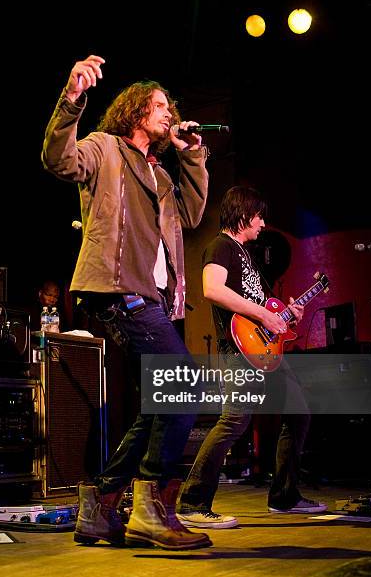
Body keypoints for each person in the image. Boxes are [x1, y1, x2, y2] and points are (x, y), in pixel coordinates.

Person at [42, 55, 211, 549]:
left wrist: (193, 156)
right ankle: (151, 505)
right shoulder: (106, 148)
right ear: (136, 111)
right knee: (185, 387)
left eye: (169, 106)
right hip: (115, 288)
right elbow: (59, 160)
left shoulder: (159, 173)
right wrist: (72, 99)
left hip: (151, 297)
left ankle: (101, 506)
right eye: (158, 105)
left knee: (160, 403)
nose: (167, 111)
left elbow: (193, 216)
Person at [177, 185, 327, 529]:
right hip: (239, 350)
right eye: (259, 216)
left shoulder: (250, 255)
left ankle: (284, 497)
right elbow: (213, 290)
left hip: (265, 350)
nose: (262, 223)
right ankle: (191, 502)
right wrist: (263, 316)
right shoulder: (220, 246)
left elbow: (265, 308)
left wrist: (285, 314)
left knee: (299, 411)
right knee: (234, 421)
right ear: (243, 214)